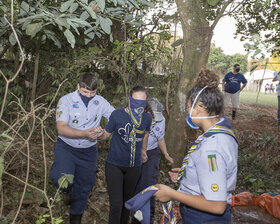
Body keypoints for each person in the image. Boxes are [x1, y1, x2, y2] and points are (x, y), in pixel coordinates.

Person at [154, 68, 238, 224]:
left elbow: (216, 205)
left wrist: (172, 194)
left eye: (188, 107)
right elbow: (216, 170)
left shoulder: (212, 148)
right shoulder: (221, 132)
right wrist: (191, 172)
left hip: (205, 217)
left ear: (198, 107)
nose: (188, 112)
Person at [50, 73, 114, 224]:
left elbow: (115, 117)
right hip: (67, 147)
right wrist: (84, 133)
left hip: (89, 150)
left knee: (85, 186)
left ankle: (75, 217)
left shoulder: (100, 101)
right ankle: (66, 189)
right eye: (85, 92)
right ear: (78, 87)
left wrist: (105, 133)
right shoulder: (66, 101)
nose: (89, 96)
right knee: (62, 179)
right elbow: (61, 128)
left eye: (93, 92)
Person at [99, 86, 152, 224]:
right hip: (114, 165)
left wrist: (144, 151)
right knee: (116, 205)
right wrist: (98, 134)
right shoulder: (117, 115)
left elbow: (146, 134)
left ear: (146, 101)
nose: (138, 104)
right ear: (129, 99)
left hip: (134, 167)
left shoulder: (147, 118)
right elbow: (106, 135)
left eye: (142, 101)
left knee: (126, 205)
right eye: (135, 100)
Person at [133, 98, 174, 224]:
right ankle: (135, 217)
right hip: (135, 153)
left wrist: (166, 154)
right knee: (135, 186)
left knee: (148, 185)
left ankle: (148, 218)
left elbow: (160, 139)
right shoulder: (136, 117)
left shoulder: (160, 120)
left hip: (152, 154)